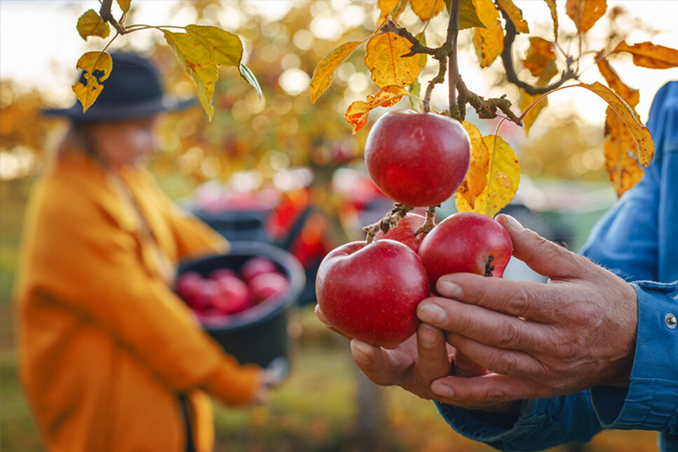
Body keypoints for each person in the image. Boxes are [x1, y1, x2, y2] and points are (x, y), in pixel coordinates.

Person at [317, 81, 678, 451]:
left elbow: (621, 334)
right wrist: (504, 385)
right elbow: (600, 329)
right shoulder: (672, 110)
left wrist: (639, 342)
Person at [14, 51, 278, 452]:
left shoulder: (121, 176)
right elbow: (138, 306)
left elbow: (181, 233)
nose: (155, 142)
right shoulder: (66, 203)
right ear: (97, 127)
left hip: (152, 383)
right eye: (142, 129)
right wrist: (228, 378)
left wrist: (249, 275)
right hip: (109, 404)